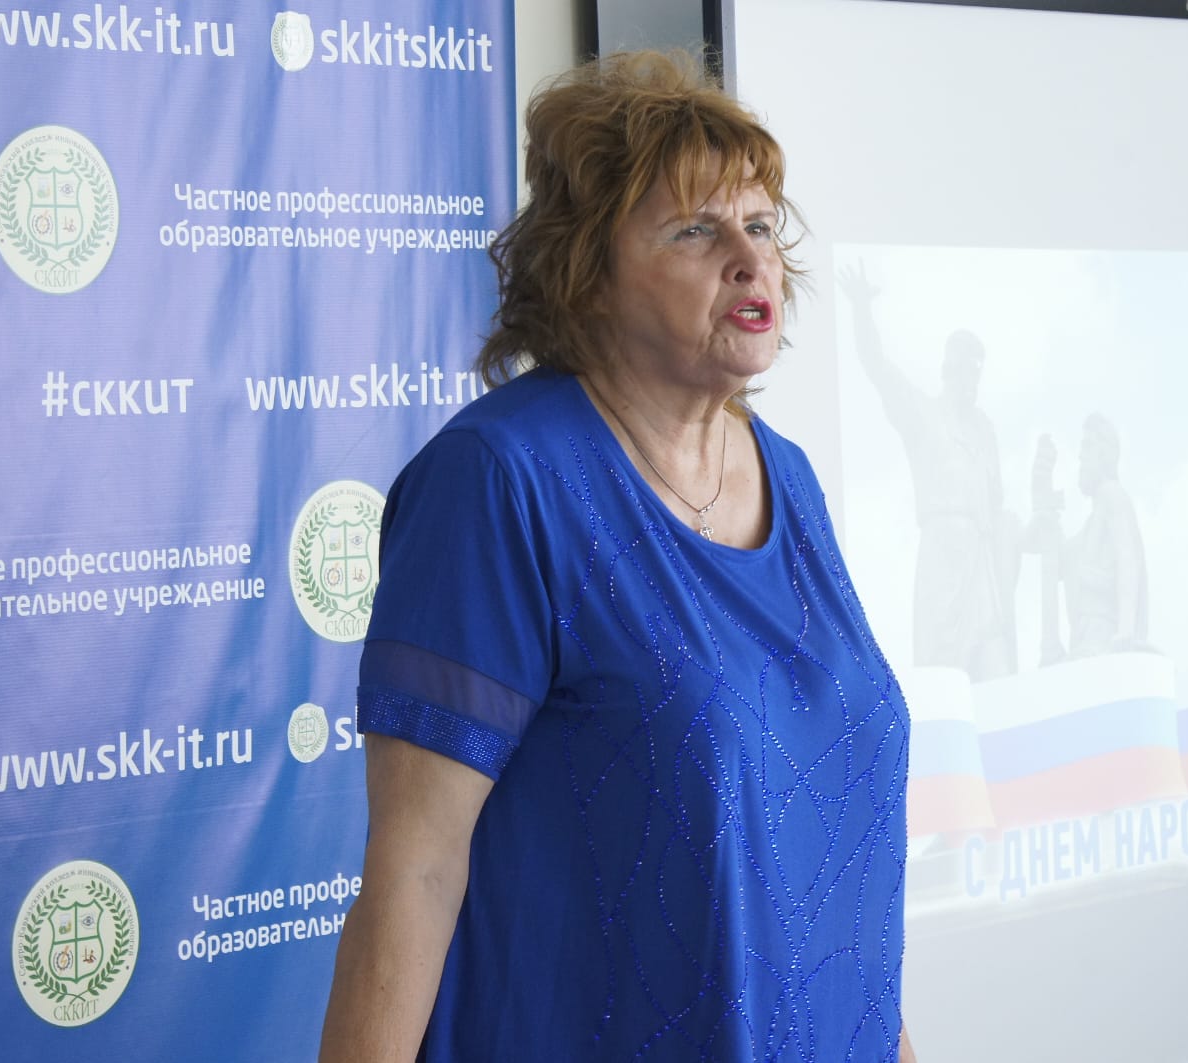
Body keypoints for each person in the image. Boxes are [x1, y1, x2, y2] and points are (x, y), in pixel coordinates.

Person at [318, 52, 915, 1063]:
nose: (751, 258)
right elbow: (416, 868)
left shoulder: (792, 476)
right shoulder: (501, 481)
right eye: (697, 229)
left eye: (761, 225)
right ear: (586, 273)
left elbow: (838, 857)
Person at [837, 262, 1020, 680]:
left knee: (996, 667)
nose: (970, 377)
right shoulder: (923, 414)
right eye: (963, 366)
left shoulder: (984, 431)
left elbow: (998, 504)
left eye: (976, 369)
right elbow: (877, 366)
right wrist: (862, 309)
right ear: (947, 369)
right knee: (944, 670)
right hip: (944, 554)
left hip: (982, 562)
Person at [1031, 414, 1148, 663]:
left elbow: (1127, 557)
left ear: (1105, 454)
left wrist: (1125, 629)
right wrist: (1042, 488)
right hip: (1084, 636)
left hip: (1102, 636)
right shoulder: (1090, 528)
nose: (1080, 456)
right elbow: (1059, 561)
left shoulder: (1112, 494)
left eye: (1088, 446)